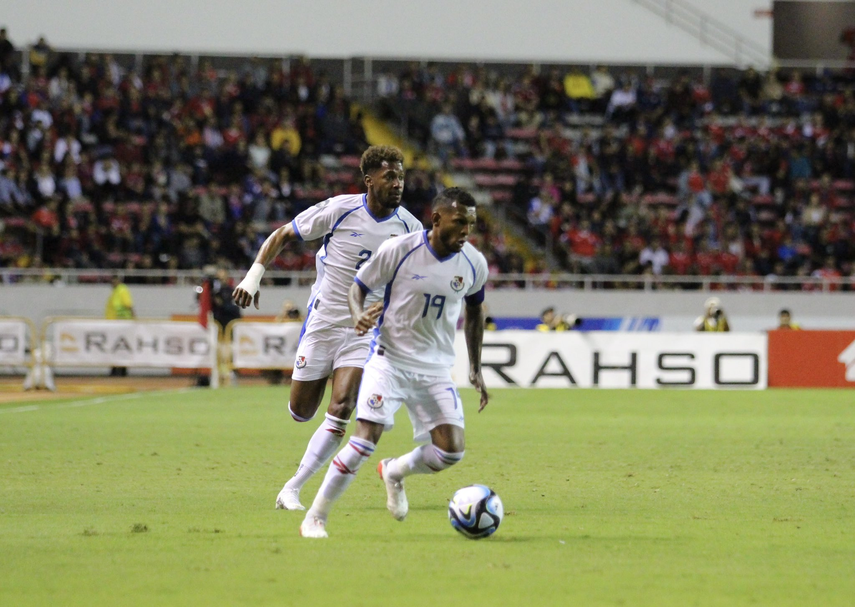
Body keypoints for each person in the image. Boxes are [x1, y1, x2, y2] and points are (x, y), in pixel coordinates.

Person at [232, 145, 422, 510]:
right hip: (323, 322)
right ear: (369, 180)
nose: (398, 184)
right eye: (390, 177)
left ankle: (293, 488)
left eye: (401, 176)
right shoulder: (340, 209)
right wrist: (253, 278)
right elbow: (283, 234)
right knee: (301, 411)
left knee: (342, 406)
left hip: (363, 328)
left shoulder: (411, 229)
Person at [299, 187, 489, 539]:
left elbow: (476, 310)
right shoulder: (400, 250)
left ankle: (396, 471)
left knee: (451, 452)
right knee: (363, 442)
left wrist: (475, 367)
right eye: (460, 222)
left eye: (472, 224)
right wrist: (357, 315)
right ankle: (316, 516)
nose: (467, 231)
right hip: (389, 361)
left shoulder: (474, 263)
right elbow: (358, 287)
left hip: (434, 369)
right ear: (436, 219)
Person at [105, 274, 135, 376]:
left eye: (114, 281)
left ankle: (121, 370)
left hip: (122, 324)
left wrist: (133, 319)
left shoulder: (122, 290)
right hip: (115, 324)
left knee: (121, 348)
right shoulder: (115, 292)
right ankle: (116, 369)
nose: (112, 283)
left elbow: (129, 305)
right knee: (115, 348)